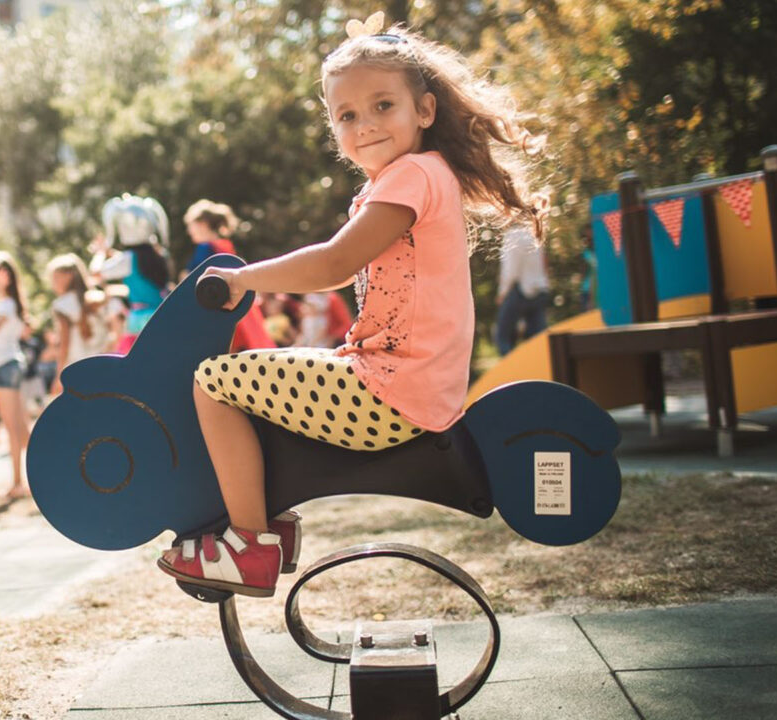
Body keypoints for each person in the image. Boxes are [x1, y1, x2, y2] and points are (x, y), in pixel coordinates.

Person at [158, 13, 545, 597]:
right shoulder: (419, 176)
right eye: (347, 115)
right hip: (404, 384)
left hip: (389, 392)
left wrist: (242, 281)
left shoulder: (412, 176)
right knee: (271, 379)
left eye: (382, 105)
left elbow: (335, 264)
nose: (365, 125)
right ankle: (269, 526)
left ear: (425, 110)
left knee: (214, 381)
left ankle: (248, 547)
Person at [184, 200, 274, 352]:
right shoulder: (224, 245)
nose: (189, 231)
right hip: (239, 307)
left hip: (219, 310)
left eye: (190, 225)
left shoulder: (205, 248)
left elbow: (193, 279)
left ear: (202, 224)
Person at [91, 195, 173, 354]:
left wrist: (101, 252)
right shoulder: (160, 254)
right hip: (163, 315)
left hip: (140, 322)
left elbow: (96, 273)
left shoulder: (127, 259)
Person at [0, 251, 30, 499]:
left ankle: (18, 483)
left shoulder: (5, 304)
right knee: (20, 428)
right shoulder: (11, 303)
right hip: (6, 365)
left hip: (4, 366)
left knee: (12, 428)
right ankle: (33, 476)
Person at [45, 253, 104, 395]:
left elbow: (65, 343)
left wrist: (59, 375)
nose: (53, 283)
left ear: (68, 276)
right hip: (101, 362)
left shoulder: (61, 304)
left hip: (75, 366)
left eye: (55, 278)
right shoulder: (96, 298)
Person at [494, 222, 551, 356]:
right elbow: (544, 263)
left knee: (502, 336)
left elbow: (510, 270)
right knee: (537, 340)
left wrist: (502, 293)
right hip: (539, 289)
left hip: (519, 291)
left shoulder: (513, 235)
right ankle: (539, 369)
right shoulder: (534, 234)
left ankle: (511, 371)